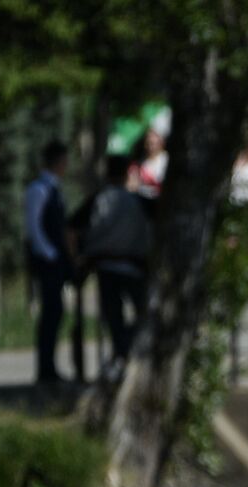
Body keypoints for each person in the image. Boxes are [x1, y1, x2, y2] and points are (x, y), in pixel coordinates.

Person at [69, 154, 151, 363]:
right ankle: (125, 350)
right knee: (145, 314)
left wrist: (77, 257)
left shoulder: (99, 199)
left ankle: (121, 351)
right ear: (126, 174)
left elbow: (71, 228)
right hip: (133, 266)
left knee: (114, 318)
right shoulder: (138, 200)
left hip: (105, 266)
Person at [23, 140, 70, 385]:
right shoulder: (39, 189)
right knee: (50, 313)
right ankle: (45, 368)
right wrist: (50, 254)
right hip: (46, 260)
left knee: (56, 312)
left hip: (54, 259)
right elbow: (34, 226)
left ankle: (49, 366)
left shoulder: (54, 189)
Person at [129, 128, 168, 203]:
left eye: (153, 143)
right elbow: (131, 187)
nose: (150, 147)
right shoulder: (139, 163)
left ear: (161, 143)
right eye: (148, 143)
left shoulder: (166, 160)